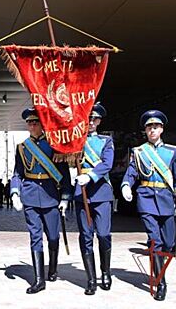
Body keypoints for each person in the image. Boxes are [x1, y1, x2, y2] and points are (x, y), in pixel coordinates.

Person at [121, 110, 176, 301]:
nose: (152, 130)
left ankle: (159, 269)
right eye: (149, 127)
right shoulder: (139, 151)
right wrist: (126, 184)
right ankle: (161, 282)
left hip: (167, 200)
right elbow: (132, 172)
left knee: (168, 243)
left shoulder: (172, 151)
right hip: (147, 200)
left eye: (155, 127)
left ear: (161, 129)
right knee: (155, 241)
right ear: (145, 130)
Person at [10, 108, 71, 294]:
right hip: (30, 195)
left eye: (35, 122)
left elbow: (64, 175)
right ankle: (39, 280)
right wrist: (14, 192)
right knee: (35, 237)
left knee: (53, 236)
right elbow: (18, 172)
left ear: (42, 124)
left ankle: (52, 267)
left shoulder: (54, 145)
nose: (32, 125)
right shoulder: (22, 147)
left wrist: (65, 198)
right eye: (29, 123)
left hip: (51, 195)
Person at [59, 103, 114, 295]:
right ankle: (91, 279)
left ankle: (105, 272)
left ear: (99, 121)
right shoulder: (75, 141)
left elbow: (107, 163)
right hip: (81, 195)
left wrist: (90, 176)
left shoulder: (106, 141)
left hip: (101, 192)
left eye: (94, 119)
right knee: (86, 237)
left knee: (105, 234)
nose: (91, 122)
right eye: (88, 119)